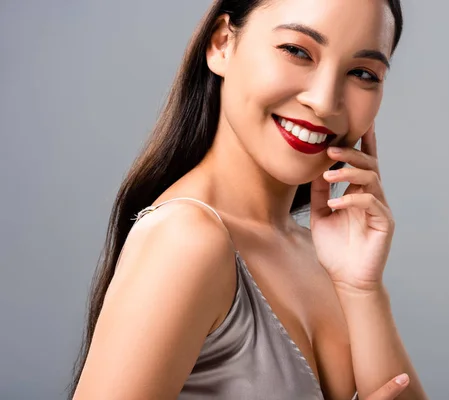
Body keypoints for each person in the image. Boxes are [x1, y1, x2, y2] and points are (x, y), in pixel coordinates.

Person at [69, 0, 428, 399]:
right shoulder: (185, 239)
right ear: (222, 43)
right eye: (297, 50)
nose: (325, 101)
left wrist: (363, 289)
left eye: (362, 73)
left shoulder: (324, 255)